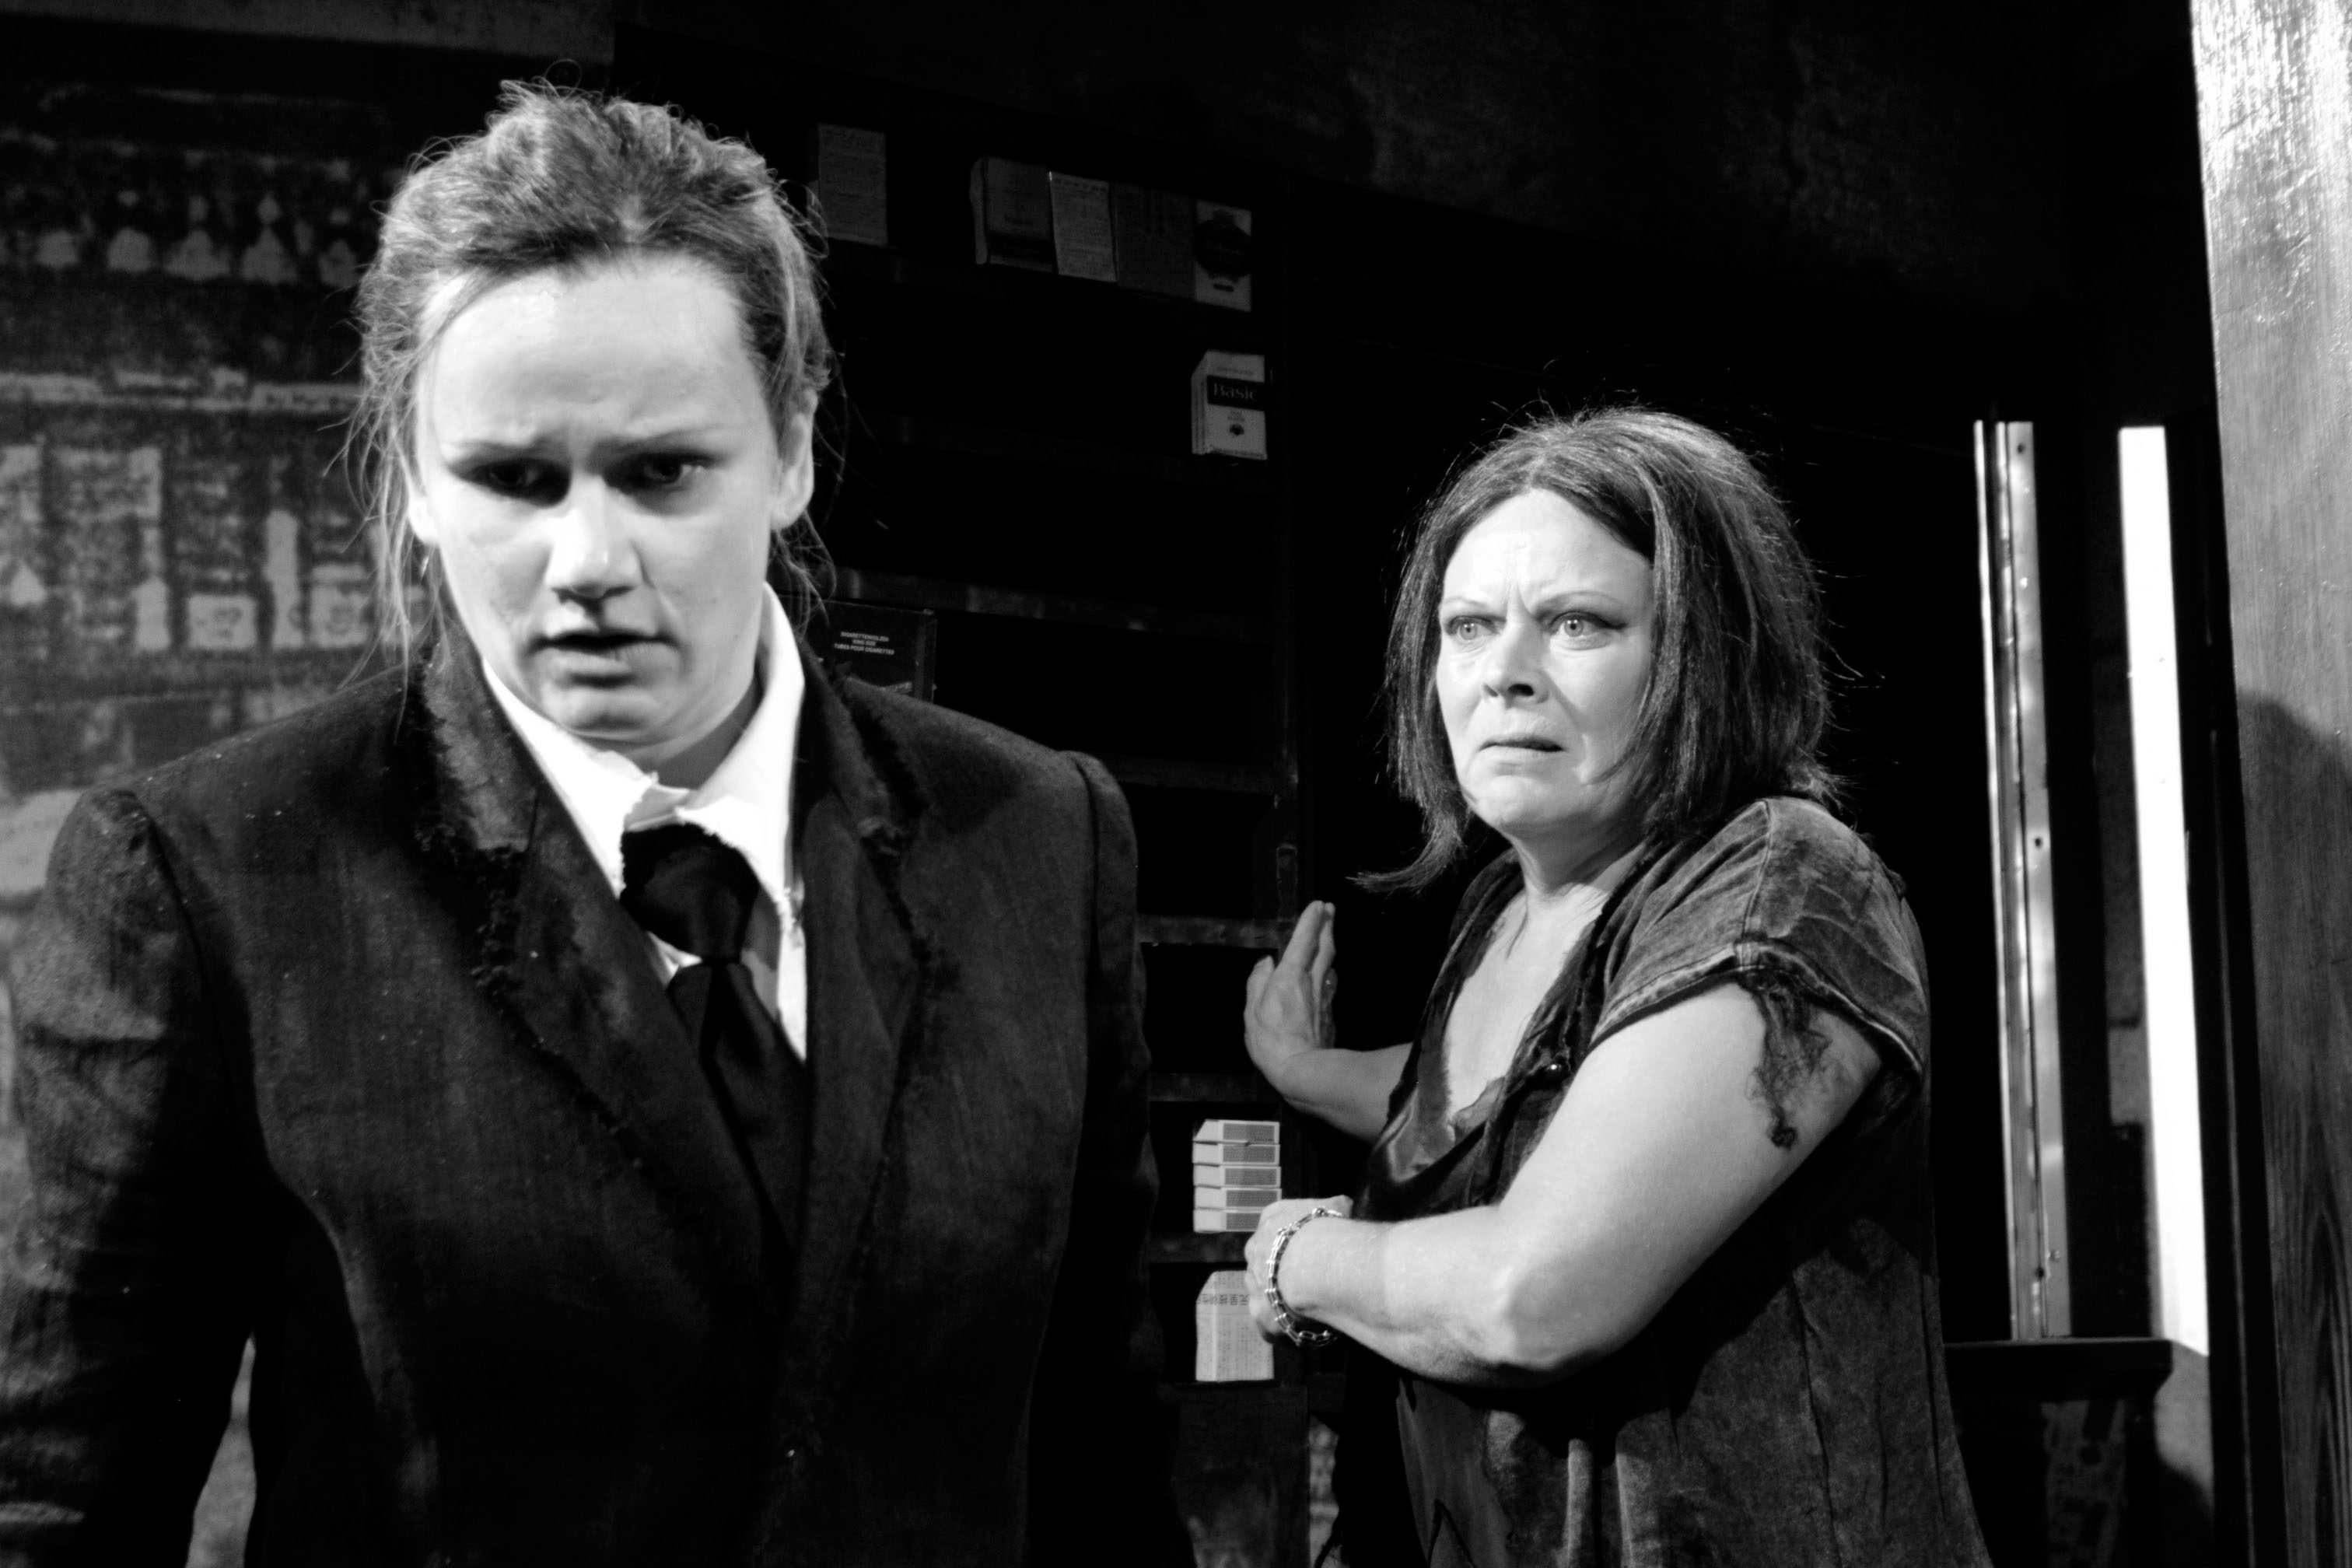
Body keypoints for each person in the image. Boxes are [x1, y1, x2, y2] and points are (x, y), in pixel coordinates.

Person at [0, 85, 1189, 1566]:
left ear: (793, 447)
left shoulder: (1036, 839)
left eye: (659, 471)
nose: (587, 561)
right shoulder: (217, 876)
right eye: (514, 479)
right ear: (415, 480)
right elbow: (60, 1505)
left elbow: (1101, 1456)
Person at [1241, 409, 1990, 1566]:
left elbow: (1536, 1298)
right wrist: (1308, 1072)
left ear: (1705, 653)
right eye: (1469, 627)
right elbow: (1511, 1105)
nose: (1505, 673)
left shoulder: (1779, 886)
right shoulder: (1503, 906)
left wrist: (1300, 1254)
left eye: (1577, 624)